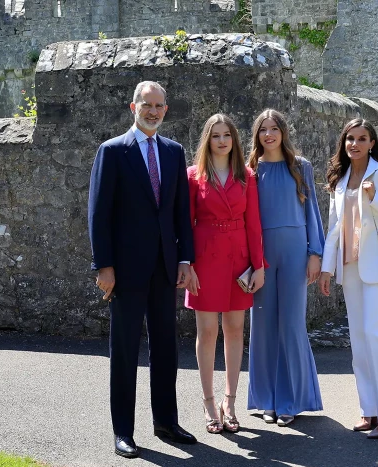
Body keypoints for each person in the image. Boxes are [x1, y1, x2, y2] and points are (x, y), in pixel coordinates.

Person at [88, 81, 197, 458]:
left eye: (159, 105)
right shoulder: (113, 151)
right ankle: (124, 432)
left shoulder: (173, 152)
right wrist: (104, 265)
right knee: (125, 349)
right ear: (132, 107)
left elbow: (181, 213)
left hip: (166, 267)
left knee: (166, 347)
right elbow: (99, 215)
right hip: (126, 269)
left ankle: (166, 421)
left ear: (166, 109)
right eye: (146, 105)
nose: (153, 111)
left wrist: (185, 259)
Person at [318, 118, 378, 440]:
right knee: (358, 339)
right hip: (349, 266)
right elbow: (333, 228)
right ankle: (369, 410)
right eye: (349, 139)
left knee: (374, 333)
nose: (354, 144)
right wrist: (327, 268)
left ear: (372, 143)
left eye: (362, 138)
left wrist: (376, 199)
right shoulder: (340, 179)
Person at [185, 114, 265, 435]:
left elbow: (254, 224)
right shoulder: (193, 176)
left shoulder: (246, 176)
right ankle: (208, 402)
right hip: (204, 259)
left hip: (239, 261)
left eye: (227, 135)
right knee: (207, 332)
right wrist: (186, 264)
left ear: (234, 140)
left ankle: (229, 402)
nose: (222, 141)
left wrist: (258, 266)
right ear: (208, 140)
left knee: (234, 330)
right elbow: (185, 224)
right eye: (216, 136)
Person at [246, 109, 324, 427]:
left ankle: (291, 400)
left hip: (295, 252)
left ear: (283, 132)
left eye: (274, 128)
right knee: (263, 326)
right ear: (257, 135)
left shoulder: (299, 167)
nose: (269, 134)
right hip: (261, 254)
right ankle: (267, 400)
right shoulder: (249, 170)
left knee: (291, 325)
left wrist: (315, 253)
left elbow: (313, 213)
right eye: (263, 129)